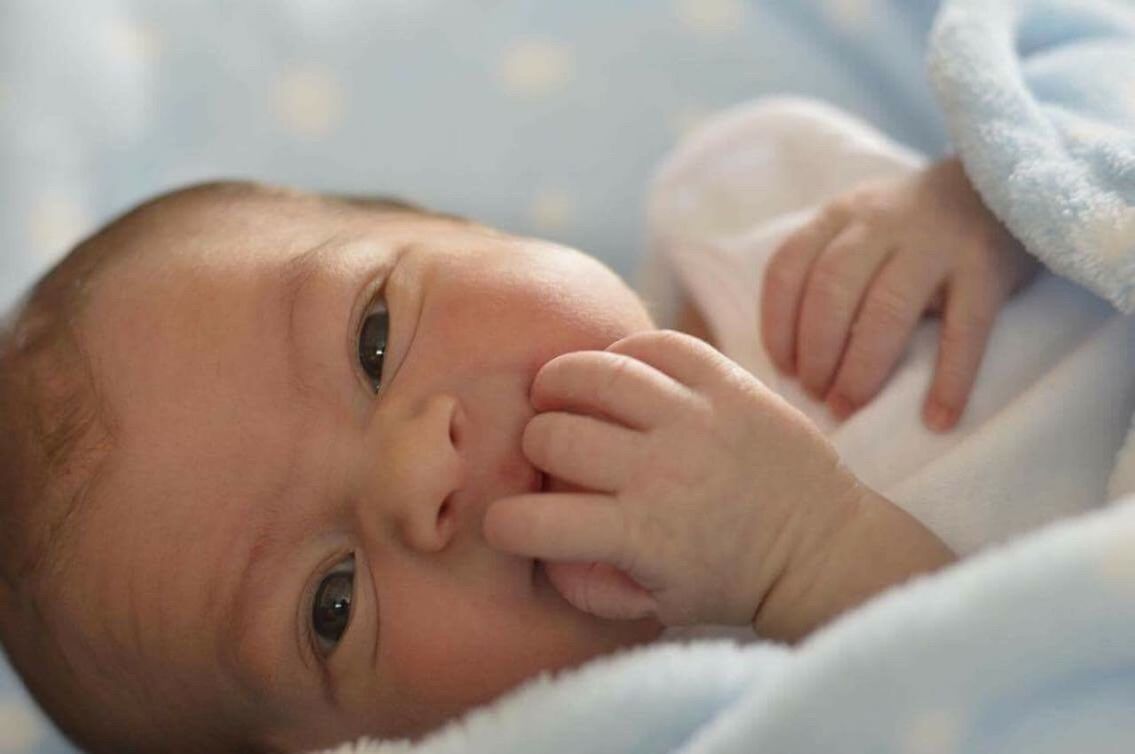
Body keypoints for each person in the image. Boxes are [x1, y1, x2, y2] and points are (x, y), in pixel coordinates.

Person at [0, 99, 1128, 754]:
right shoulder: (711, 725)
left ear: (458, 225)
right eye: (330, 606)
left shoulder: (770, 225)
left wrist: (995, 197)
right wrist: (809, 551)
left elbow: (1079, 103)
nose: (415, 465)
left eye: (375, 339)